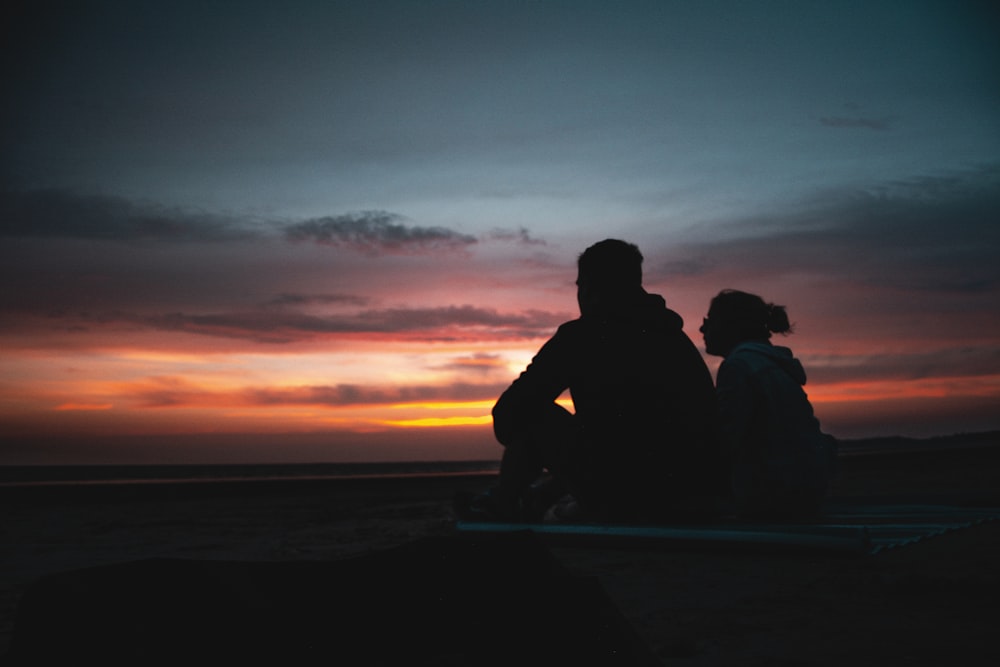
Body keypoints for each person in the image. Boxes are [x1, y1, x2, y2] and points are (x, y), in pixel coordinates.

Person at [464, 239, 719, 523]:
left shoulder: (581, 337)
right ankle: (532, 500)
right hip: (695, 492)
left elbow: (508, 417)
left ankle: (503, 505)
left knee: (534, 414)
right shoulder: (675, 338)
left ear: (587, 287)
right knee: (612, 439)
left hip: (629, 496)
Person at [700, 289, 838, 518]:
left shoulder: (738, 367)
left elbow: (726, 439)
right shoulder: (771, 363)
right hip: (806, 490)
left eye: (709, 321)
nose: (702, 329)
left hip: (771, 495)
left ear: (731, 325)